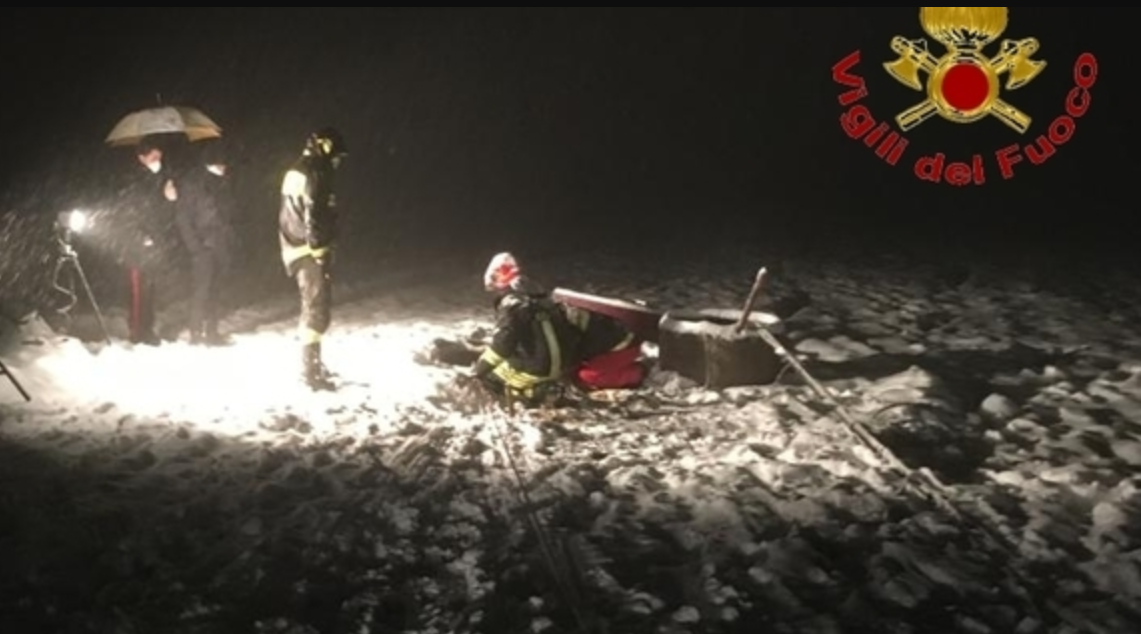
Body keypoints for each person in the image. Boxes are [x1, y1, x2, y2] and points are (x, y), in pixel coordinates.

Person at [470, 252, 647, 406]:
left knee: (587, 378)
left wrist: (481, 368)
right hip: (605, 339)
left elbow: (505, 343)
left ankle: (640, 372)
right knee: (570, 372)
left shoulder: (518, 307)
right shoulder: (545, 304)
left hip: (621, 345)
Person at [279, 127, 348, 390]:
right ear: (325, 147)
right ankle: (310, 371)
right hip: (309, 250)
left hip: (294, 246)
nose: (337, 162)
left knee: (311, 308)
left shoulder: (297, 169)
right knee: (316, 310)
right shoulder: (316, 172)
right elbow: (315, 213)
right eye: (337, 156)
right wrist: (319, 248)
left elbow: (292, 213)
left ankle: (312, 364)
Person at [168, 142, 236, 345]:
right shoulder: (195, 185)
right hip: (203, 245)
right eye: (221, 163)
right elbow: (183, 217)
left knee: (216, 289)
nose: (224, 167)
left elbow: (227, 214)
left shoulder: (222, 183)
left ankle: (212, 331)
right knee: (202, 290)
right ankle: (196, 332)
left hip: (219, 243)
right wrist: (195, 246)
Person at [112, 137, 176, 345]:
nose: (158, 161)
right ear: (141, 157)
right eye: (154, 157)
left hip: (155, 244)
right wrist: (140, 236)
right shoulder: (133, 180)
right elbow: (129, 213)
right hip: (137, 246)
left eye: (160, 157)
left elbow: (160, 212)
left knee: (150, 290)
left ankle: (148, 329)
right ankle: (138, 333)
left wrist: (169, 198)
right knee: (138, 292)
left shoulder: (158, 179)